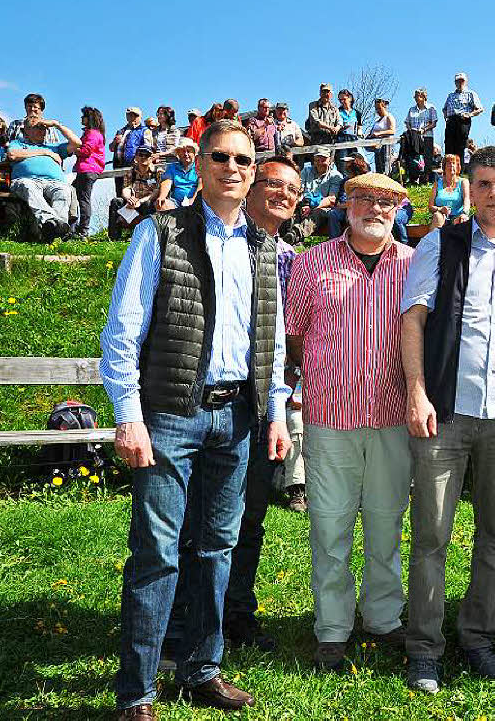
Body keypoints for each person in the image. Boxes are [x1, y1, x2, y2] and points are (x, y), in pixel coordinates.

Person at [102, 118, 291, 718]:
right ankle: (137, 691)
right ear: (199, 164)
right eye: (220, 158)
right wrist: (128, 416)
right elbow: (124, 333)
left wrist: (277, 412)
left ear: (253, 171)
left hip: (237, 416)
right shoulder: (162, 234)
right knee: (158, 551)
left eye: (242, 160)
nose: (231, 169)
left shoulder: (265, 247)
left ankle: (201, 668)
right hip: (169, 415)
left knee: (217, 547)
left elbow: (275, 338)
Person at [401, 146, 495, 694]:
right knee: (432, 535)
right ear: (469, 189)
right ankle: (424, 650)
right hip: (446, 409)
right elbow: (412, 322)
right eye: (483, 184)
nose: (494, 194)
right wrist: (417, 393)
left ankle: (479, 637)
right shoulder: (440, 244)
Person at [285, 171, 414, 671]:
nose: (375, 209)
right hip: (330, 415)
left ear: (400, 207)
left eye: (386, 201)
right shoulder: (311, 262)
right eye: (364, 198)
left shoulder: (414, 264)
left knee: (386, 524)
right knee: (330, 527)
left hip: (392, 416)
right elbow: (294, 336)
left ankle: (383, 618)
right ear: (346, 205)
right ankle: (333, 630)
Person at [201, 155, 304, 652]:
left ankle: (237, 610)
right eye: (271, 183)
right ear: (250, 186)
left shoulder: (292, 259)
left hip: (265, 402)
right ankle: (192, 615)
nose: (281, 193)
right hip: (210, 397)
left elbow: (296, 333)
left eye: (291, 187)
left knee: (252, 512)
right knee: (201, 516)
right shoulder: (214, 240)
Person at [7, 117, 81, 242]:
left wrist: (56, 125)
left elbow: (77, 143)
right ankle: (52, 224)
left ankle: (52, 229)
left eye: (45, 128)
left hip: (54, 182)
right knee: (28, 187)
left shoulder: (54, 147)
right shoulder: (17, 144)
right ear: (26, 130)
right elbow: (12, 155)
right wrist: (44, 152)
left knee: (64, 190)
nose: (43, 131)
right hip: (26, 179)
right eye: (38, 127)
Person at [107, 146, 160, 240]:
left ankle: (146, 235)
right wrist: (129, 199)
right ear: (136, 157)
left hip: (147, 202)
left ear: (151, 158)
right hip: (132, 203)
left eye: (146, 155)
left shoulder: (157, 173)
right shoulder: (131, 172)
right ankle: (114, 237)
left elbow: (156, 191)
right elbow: (126, 188)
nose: (143, 157)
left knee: (148, 204)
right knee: (116, 201)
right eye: (140, 155)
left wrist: (141, 201)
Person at [71, 106, 106, 238]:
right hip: (89, 169)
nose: (81, 118)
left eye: (83, 116)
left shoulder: (92, 133)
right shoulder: (95, 133)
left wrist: (73, 149)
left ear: (89, 118)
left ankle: (83, 231)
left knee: (83, 199)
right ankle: (76, 228)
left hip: (87, 169)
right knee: (75, 194)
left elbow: (86, 151)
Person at [442, 72, 483, 157]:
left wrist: (469, 114)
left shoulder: (471, 94)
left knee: (461, 146)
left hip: (463, 120)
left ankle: (460, 168)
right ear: (455, 83)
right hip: (451, 121)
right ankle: (448, 168)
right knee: (449, 145)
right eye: (458, 81)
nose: (460, 83)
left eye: (462, 81)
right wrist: (446, 117)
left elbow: (480, 109)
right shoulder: (451, 95)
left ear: (466, 82)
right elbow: (444, 108)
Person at [156, 139, 201, 210]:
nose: (186, 154)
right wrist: (162, 196)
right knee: (162, 205)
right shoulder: (172, 167)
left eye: (188, 151)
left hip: (195, 201)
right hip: (175, 202)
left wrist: (193, 199)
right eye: (183, 151)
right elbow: (167, 182)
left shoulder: (200, 167)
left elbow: (201, 185)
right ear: (178, 154)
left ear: (194, 153)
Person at [405, 88, 438, 181]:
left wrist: (424, 129)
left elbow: (434, 123)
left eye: (417, 96)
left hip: (426, 136)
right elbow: (407, 122)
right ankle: (414, 178)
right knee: (414, 157)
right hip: (414, 137)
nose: (415, 98)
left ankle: (426, 179)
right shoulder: (411, 110)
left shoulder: (431, 108)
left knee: (427, 158)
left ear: (423, 97)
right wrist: (411, 131)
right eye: (415, 96)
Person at [429, 153, 469, 227]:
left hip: (458, 216)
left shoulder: (463, 182)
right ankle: (435, 238)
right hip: (441, 216)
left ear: (458, 167)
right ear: (444, 167)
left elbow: (467, 199)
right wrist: (440, 209)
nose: (452, 166)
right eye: (449, 164)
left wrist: (464, 213)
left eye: (454, 163)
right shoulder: (437, 184)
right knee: (437, 216)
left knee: (464, 220)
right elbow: (430, 207)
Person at [366, 98, 396, 175]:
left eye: (379, 108)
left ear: (384, 107)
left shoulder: (389, 117)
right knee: (378, 168)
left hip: (386, 146)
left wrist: (379, 133)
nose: (377, 111)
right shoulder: (377, 121)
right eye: (376, 109)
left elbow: (392, 130)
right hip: (377, 147)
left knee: (385, 166)